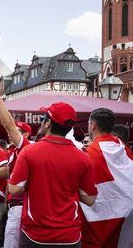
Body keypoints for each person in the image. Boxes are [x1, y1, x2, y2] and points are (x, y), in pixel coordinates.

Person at [8, 102, 98, 247]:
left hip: (36, 234)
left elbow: (14, 189)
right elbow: (90, 199)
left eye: (43, 119)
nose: (42, 123)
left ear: (48, 123)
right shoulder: (82, 157)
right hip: (69, 235)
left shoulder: (29, 152)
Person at [0, 84, 32, 248]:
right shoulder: (12, 151)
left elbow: (9, 126)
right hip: (13, 205)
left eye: (18, 131)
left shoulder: (25, 146)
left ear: (25, 135)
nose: (11, 134)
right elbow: (9, 178)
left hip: (20, 206)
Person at [81, 108, 133, 248]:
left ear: (93, 126)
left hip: (102, 220)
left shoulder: (90, 153)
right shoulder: (123, 148)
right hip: (127, 212)